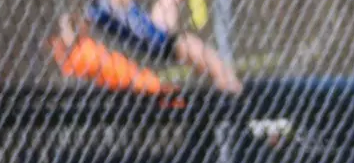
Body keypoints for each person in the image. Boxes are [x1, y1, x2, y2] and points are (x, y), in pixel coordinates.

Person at [59, 0, 242, 96]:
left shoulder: (97, 11)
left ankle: (228, 84)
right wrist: (69, 25)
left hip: (154, 31)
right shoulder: (99, 10)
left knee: (200, 54)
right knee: (197, 50)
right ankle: (231, 86)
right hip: (156, 39)